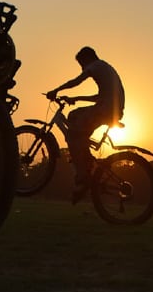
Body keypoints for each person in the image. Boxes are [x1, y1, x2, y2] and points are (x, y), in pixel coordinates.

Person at [45, 47, 125, 202]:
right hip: (109, 108)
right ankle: (85, 160)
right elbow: (100, 97)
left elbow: (76, 81)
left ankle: (82, 176)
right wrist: (76, 98)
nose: (82, 68)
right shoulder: (104, 68)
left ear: (87, 59)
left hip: (106, 110)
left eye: (81, 64)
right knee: (74, 115)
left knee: (72, 135)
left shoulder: (94, 66)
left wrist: (56, 90)